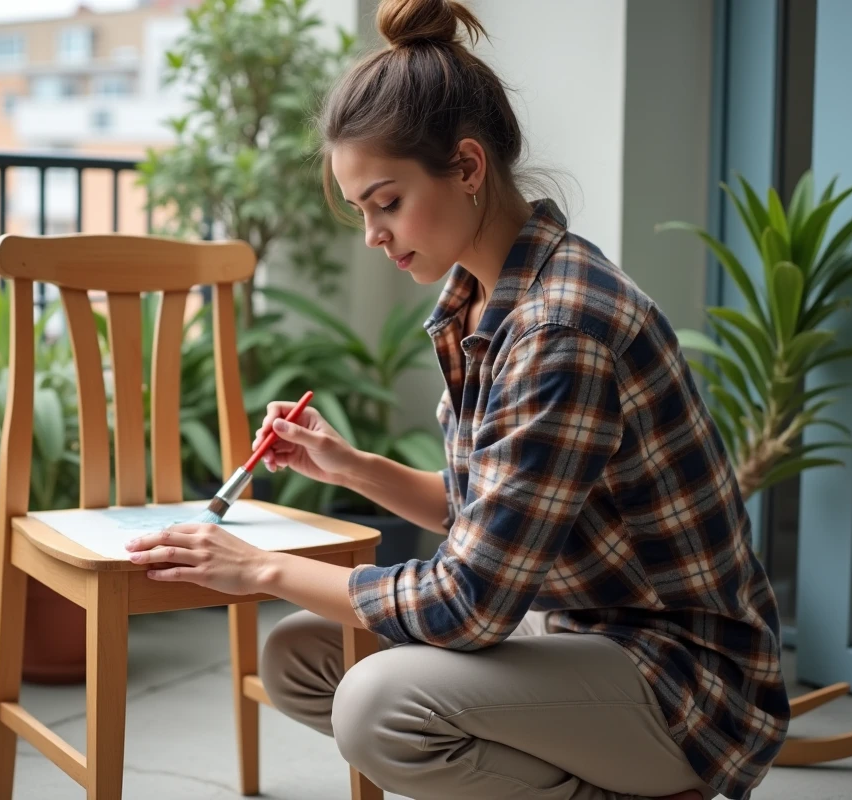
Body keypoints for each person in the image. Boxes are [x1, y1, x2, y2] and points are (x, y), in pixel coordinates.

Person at [123, 1, 790, 798]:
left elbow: (471, 603)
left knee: (377, 703)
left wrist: (259, 568)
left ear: (468, 168)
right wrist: (353, 466)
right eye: (360, 209)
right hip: (577, 625)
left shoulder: (560, 326)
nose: (372, 234)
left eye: (386, 201)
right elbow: (490, 518)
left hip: (685, 678)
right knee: (303, 657)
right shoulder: (480, 296)